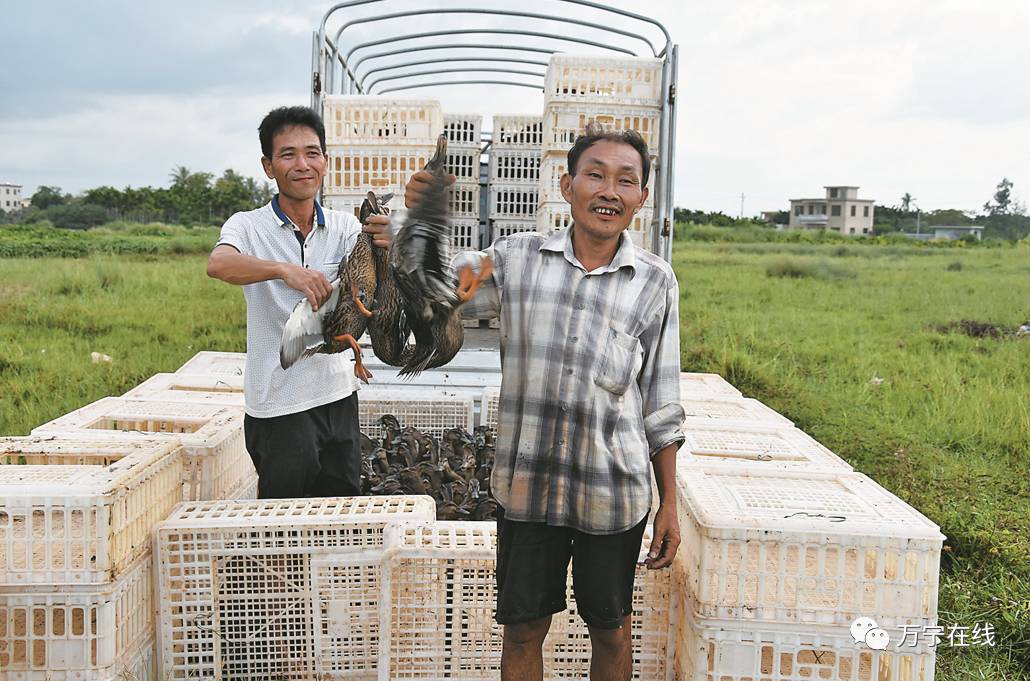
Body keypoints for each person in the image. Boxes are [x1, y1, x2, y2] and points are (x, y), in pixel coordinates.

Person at [405, 122, 685, 681]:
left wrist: (669, 501)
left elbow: (661, 400)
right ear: (567, 185)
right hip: (528, 486)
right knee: (524, 628)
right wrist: (412, 225)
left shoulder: (655, 281)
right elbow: (442, 283)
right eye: (595, 175)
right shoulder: (514, 258)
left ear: (642, 198)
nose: (609, 191)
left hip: (612, 490)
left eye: (625, 181)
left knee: (610, 628)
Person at [206, 106, 391, 499]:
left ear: (325, 161)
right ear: (268, 166)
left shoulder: (344, 227)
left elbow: (377, 275)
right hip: (279, 407)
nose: (302, 164)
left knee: (339, 520)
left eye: (312, 153)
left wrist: (393, 241)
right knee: (284, 529)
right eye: (288, 154)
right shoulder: (248, 225)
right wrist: (282, 270)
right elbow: (219, 264)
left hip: (338, 398)